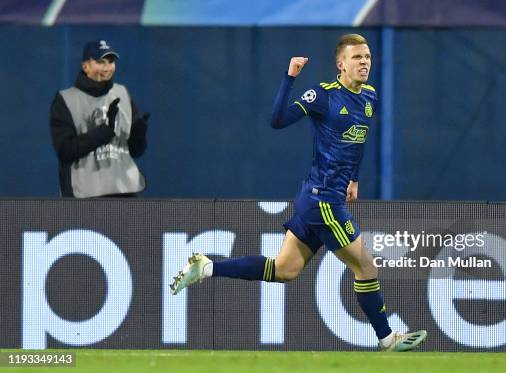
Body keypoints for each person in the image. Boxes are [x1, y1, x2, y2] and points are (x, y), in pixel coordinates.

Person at [170, 34, 427, 352]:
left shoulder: (370, 96)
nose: (364, 62)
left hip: (318, 198)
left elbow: (357, 143)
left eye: (368, 57)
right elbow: (277, 120)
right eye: (357, 57)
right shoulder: (323, 95)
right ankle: (388, 339)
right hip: (323, 201)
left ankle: (207, 267)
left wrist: (354, 179)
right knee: (366, 266)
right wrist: (290, 76)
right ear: (341, 64)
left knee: (285, 270)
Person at [50, 39, 149, 198]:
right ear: (86, 66)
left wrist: (139, 134)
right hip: (84, 196)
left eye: (110, 62)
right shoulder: (66, 99)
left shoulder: (123, 93)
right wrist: (104, 132)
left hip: (124, 194)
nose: (107, 67)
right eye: (101, 62)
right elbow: (65, 151)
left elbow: (136, 151)